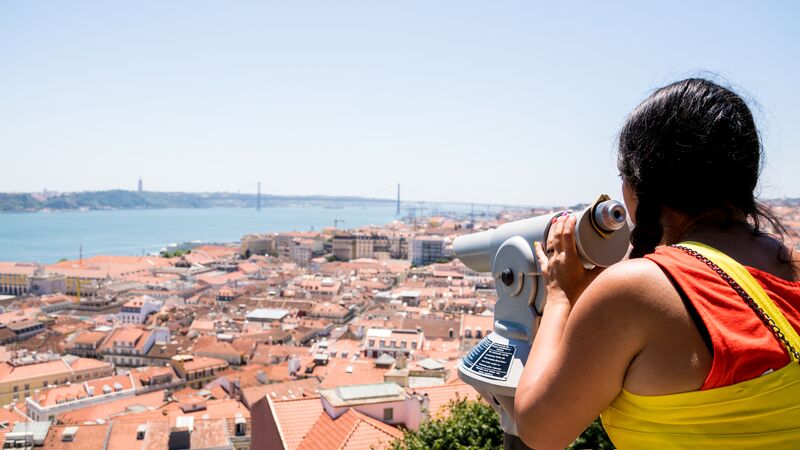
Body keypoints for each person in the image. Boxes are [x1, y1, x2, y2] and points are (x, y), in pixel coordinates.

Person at [513, 78, 800, 449]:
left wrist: (560, 298)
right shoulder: (791, 264)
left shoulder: (634, 293)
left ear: (638, 185)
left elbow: (539, 430)